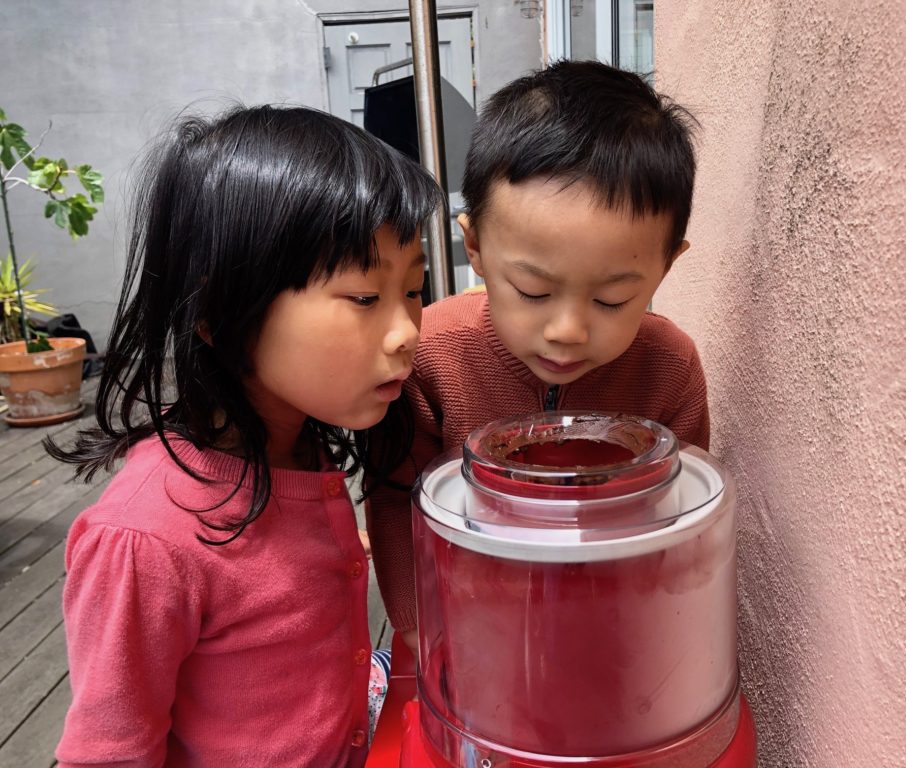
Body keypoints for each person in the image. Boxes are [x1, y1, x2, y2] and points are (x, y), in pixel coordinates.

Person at [45, 105, 445, 767]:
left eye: (414, 289)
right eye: (366, 298)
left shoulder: (301, 444)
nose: (407, 331)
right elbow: (107, 753)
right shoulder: (144, 538)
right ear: (219, 312)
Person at [365, 60, 710, 654]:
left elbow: (682, 519)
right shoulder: (433, 356)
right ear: (474, 246)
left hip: (614, 627)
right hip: (469, 621)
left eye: (613, 298)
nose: (568, 330)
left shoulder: (669, 368)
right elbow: (397, 501)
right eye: (533, 291)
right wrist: (419, 627)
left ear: (666, 266)